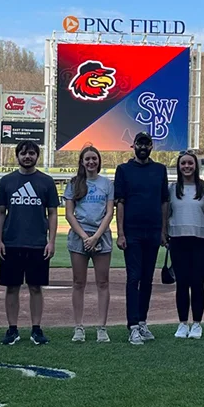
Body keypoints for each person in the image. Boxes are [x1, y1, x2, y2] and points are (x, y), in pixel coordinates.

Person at [0, 141, 59, 346]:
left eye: (31, 153)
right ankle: (12, 329)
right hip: (12, 243)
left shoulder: (46, 182)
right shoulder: (7, 181)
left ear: (37, 156)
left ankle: (36, 329)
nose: (27, 156)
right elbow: (0, 212)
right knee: (11, 287)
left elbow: (52, 213)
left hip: (37, 243)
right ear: (17, 156)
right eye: (23, 153)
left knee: (35, 288)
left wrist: (51, 241)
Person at [115, 132, 170, 345]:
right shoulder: (124, 170)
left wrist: (163, 231)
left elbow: (164, 202)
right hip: (133, 231)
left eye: (147, 143)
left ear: (151, 146)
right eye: (140, 143)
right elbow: (120, 202)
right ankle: (133, 325)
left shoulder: (159, 170)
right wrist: (120, 233)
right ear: (134, 145)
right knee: (134, 277)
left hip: (153, 230)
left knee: (147, 279)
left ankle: (143, 321)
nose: (143, 147)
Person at [63, 145, 114, 343]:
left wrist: (95, 237)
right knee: (78, 282)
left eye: (94, 158)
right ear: (82, 162)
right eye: (87, 159)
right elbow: (69, 213)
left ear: (99, 161)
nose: (91, 162)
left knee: (103, 282)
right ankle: (78, 327)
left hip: (101, 236)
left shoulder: (107, 184)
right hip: (79, 236)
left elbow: (109, 212)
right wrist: (85, 237)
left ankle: (102, 327)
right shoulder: (74, 183)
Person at [167, 151, 204, 340]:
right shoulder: (172, 188)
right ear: (179, 166)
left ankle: (197, 324)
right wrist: (163, 233)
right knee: (182, 284)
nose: (187, 167)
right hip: (178, 239)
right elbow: (166, 213)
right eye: (183, 163)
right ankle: (183, 323)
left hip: (200, 240)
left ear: (195, 166)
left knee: (197, 283)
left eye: (190, 163)